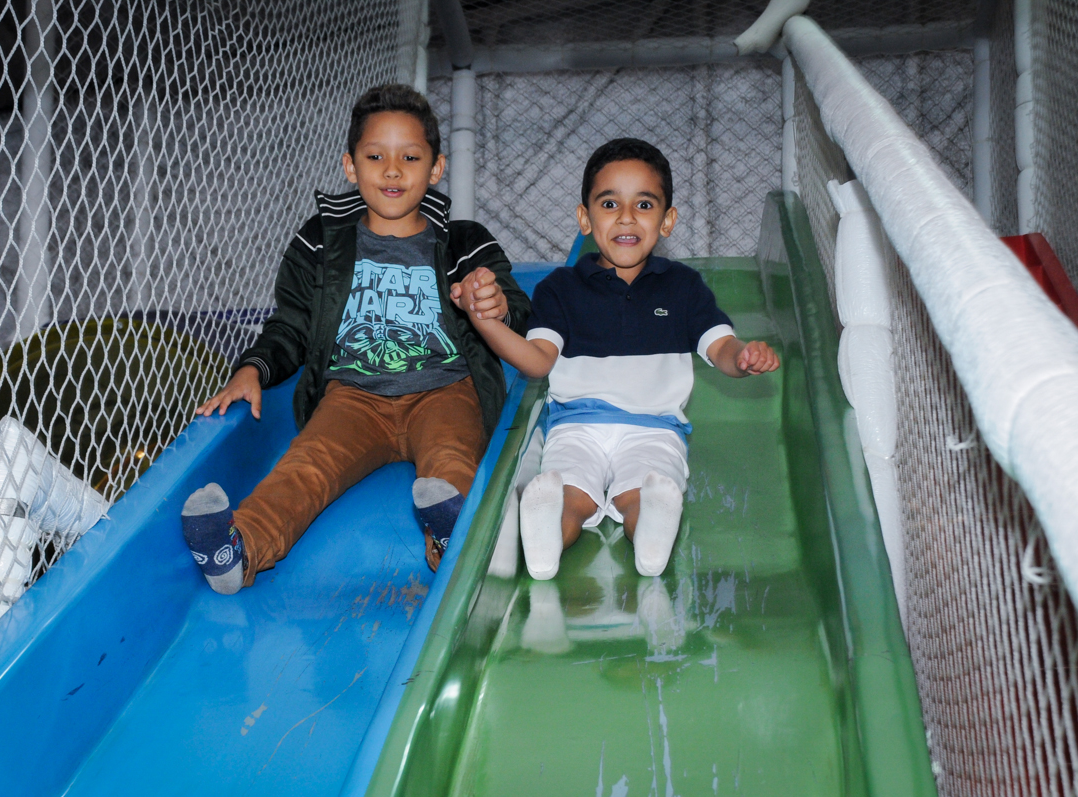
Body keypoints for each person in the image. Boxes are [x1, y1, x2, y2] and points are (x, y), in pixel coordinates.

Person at [180, 84, 530, 594]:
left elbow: (517, 309)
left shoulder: (463, 241)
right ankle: (238, 549)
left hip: (445, 390)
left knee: (451, 461)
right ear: (350, 166)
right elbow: (292, 321)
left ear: (435, 169)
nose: (392, 170)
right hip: (354, 397)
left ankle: (450, 541)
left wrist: (494, 304)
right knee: (305, 467)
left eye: (410, 157)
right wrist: (253, 367)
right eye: (376, 156)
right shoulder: (322, 239)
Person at [454, 138, 779, 580]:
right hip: (576, 425)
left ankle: (650, 533)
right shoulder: (560, 288)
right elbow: (536, 362)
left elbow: (719, 346)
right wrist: (485, 321)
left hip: (653, 427)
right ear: (585, 218)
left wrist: (743, 356)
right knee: (569, 491)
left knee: (643, 493)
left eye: (644, 205)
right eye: (610, 203)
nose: (627, 217)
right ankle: (546, 540)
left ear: (667, 221)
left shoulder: (683, 287)